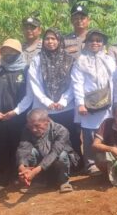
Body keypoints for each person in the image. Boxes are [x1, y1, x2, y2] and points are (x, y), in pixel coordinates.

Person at [27, 28, 82, 169]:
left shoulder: (70, 59)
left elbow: (73, 82)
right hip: (44, 109)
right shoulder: (37, 59)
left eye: (54, 39)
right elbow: (34, 83)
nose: (50, 42)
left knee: (71, 138)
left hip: (66, 108)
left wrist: (64, 101)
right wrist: (47, 102)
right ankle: (47, 168)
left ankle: (73, 165)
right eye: (47, 39)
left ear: (59, 40)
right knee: (44, 139)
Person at [0, 39, 32, 189]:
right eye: (5, 51)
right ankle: (2, 179)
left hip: (19, 117)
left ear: (18, 53)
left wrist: (16, 112)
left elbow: (29, 95)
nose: (8, 54)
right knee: (0, 147)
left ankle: (19, 177)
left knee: (19, 148)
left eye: (12, 51)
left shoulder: (26, 70)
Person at [72, 29, 117, 176]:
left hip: (107, 103)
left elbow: (114, 82)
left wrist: (115, 102)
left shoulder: (109, 60)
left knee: (107, 131)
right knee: (89, 134)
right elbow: (77, 83)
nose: (95, 43)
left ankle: (107, 161)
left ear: (103, 43)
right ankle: (91, 164)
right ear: (87, 43)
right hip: (88, 104)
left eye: (98, 40)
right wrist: (80, 103)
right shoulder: (81, 60)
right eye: (92, 40)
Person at [16, 108, 76, 193]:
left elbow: (55, 153)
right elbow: (23, 149)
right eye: (30, 126)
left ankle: (63, 182)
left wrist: (34, 172)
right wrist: (22, 168)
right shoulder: (27, 130)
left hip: (58, 163)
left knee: (62, 155)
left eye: (37, 125)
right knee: (31, 152)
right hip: (41, 165)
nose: (33, 129)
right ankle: (38, 182)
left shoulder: (61, 130)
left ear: (47, 121)